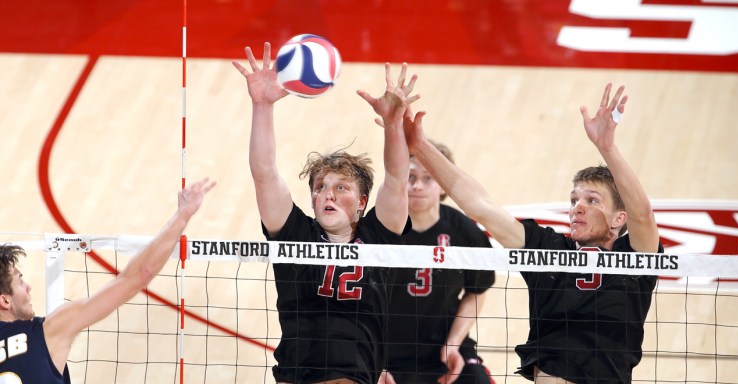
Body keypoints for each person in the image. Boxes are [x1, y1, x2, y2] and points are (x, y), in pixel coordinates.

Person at [402, 84, 661, 383]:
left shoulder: (635, 259)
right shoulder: (548, 249)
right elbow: (480, 206)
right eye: (574, 199)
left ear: (619, 218)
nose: (577, 207)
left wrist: (607, 148)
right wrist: (420, 147)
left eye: (592, 201)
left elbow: (643, 214)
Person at [232, 42, 417, 384]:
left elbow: (395, 179)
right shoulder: (294, 235)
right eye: (319, 187)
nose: (326, 195)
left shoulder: (379, 236)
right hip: (293, 374)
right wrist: (261, 106)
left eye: (341, 187)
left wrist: (393, 124)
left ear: (362, 202)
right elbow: (265, 173)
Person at [0, 178, 216, 383]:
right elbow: (139, 275)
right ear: (5, 301)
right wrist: (183, 215)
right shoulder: (48, 333)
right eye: (20, 282)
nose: (28, 287)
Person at [380, 141, 495, 384]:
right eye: (410, 176)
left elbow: (477, 291)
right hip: (385, 352)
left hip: (443, 349)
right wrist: (373, 359)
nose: (417, 185)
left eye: (428, 178)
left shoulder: (465, 232)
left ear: (443, 186)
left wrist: (452, 344)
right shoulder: (378, 229)